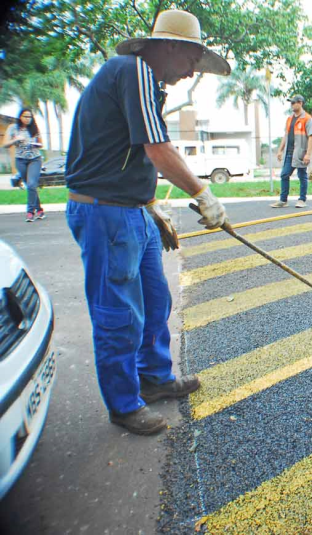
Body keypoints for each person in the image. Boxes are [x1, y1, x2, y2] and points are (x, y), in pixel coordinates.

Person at [65, 10, 230, 435]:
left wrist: (153, 203)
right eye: (193, 60)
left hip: (132, 210)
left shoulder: (146, 84)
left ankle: (153, 378)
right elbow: (156, 148)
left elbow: (131, 152)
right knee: (118, 314)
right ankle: (123, 403)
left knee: (155, 302)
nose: (193, 71)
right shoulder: (133, 69)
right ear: (171, 46)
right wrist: (202, 193)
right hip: (106, 212)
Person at [272, 95, 312, 209]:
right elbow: (285, 135)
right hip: (289, 152)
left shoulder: (307, 118)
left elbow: (311, 137)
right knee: (284, 174)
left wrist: (308, 154)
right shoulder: (289, 119)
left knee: (302, 176)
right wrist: (280, 150)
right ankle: (283, 200)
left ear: (300, 103)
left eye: (293, 103)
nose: (291, 105)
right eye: (291, 103)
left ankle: (302, 199)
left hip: (301, 153)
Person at [3, 109, 44, 222]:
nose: (27, 119)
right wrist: (15, 139)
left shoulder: (34, 128)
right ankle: (39, 209)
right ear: (20, 117)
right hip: (20, 160)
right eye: (25, 116)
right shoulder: (13, 128)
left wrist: (36, 144)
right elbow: (5, 144)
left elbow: (41, 144)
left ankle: (30, 212)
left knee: (31, 184)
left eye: (30, 117)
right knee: (30, 187)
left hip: (35, 159)